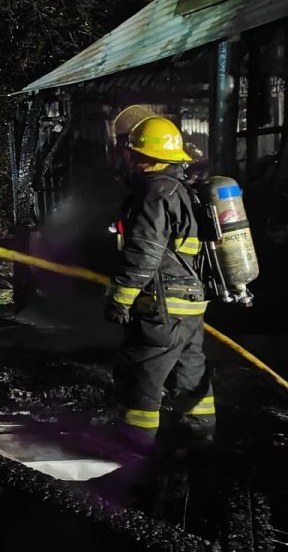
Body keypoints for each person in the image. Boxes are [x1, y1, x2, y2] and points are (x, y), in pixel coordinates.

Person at [104, 115, 215, 452]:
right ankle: (200, 446)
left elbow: (144, 252)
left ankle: (132, 452)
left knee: (142, 376)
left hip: (161, 307)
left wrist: (120, 298)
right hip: (191, 305)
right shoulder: (183, 190)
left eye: (133, 153)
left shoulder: (153, 192)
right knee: (191, 375)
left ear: (140, 156)